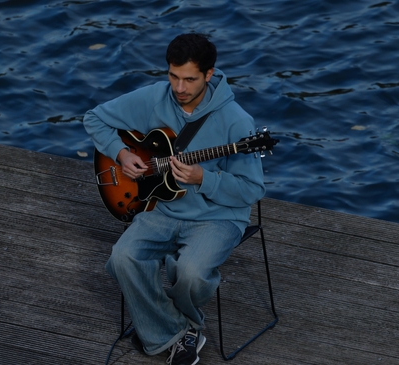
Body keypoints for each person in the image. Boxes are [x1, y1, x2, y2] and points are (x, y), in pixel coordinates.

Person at [83, 33, 265, 365]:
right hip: (162, 208)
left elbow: (251, 190)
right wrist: (121, 153)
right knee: (123, 257)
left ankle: (161, 327)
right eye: (173, 76)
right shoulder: (155, 98)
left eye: (189, 79)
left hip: (218, 216)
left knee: (192, 273)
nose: (179, 88)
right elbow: (94, 117)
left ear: (209, 75)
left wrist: (203, 179)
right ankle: (181, 333)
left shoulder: (237, 121)